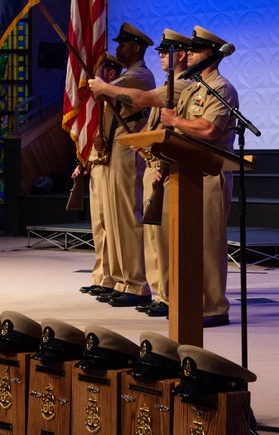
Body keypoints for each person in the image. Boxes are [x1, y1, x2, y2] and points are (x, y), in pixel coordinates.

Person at [89, 25, 237, 328]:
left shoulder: (220, 88)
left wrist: (176, 121)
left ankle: (214, 306)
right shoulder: (193, 88)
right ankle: (186, 298)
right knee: (179, 242)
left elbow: (210, 130)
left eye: (195, 50)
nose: (190, 54)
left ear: (210, 55)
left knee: (208, 243)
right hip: (183, 170)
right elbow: (172, 132)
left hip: (209, 172)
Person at [90, 22, 155, 307]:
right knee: (114, 218)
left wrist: (101, 83)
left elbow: (106, 92)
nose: (118, 49)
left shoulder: (141, 75)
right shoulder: (129, 74)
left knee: (128, 216)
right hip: (116, 144)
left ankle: (136, 283)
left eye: (123, 45)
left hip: (129, 145)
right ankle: (119, 278)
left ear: (136, 48)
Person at [135, 29, 193, 318]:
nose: (159, 55)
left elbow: (145, 101)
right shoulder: (169, 84)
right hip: (153, 165)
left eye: (165, 51)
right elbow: (155, 124)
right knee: (154, 237)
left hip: (166, 167)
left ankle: (170, 295)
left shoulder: (182, 86)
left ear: (181, 54)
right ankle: (161, 293)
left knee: (166, 238)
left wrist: (108, 90)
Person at [76, 52, 124, 296]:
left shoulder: (114, 99)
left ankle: (115, 278)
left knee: (112, 226)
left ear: (111, 74)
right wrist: (83, 161)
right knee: (99, 227)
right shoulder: (98, 103)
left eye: (100, 71)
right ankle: (101, 277)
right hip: (96, 166)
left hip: (111, 165)